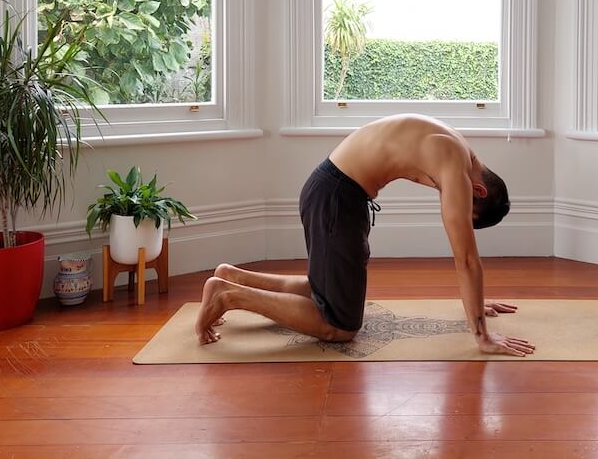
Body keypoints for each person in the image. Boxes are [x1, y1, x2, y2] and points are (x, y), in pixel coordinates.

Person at [194, 113, 535, 357]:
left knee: (323, 293)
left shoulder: (455, 144)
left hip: (334, 191)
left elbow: (464, 256)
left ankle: (233, 277)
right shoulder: (455, 166)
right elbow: (466, 257)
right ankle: (227, 295)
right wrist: (481, 334)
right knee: (340, 325)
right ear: (478, 191)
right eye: (465, 208)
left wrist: (473, 303)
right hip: (337, 198)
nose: (454, 205)